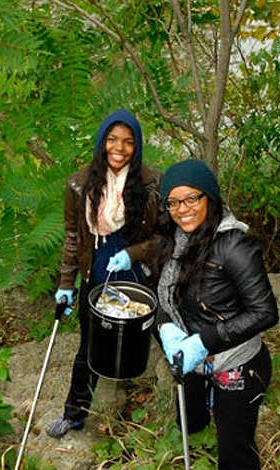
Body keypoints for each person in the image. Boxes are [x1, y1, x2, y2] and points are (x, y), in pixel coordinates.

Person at [46, 109, 162, 438]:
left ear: (136, 146)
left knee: (149, 328)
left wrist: (132, 254)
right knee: (90, 343)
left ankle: (173, 397)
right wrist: (67, 285)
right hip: (95, 268)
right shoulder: (79, 184)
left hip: (134, 267)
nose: (119, 148)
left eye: (128, 142)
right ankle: (74, 413)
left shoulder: (152, 182)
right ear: (102, 142)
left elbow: (163, 237)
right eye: (113, 140)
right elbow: (72, 237)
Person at [156, 159, 279, 469]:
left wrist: (204, 341)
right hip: (191, 361)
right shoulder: (176, 240)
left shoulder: (234, 245)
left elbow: (265, 311)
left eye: (191, 198)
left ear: (209, 197)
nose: (181, 208)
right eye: (172, 202)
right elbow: (164, 297)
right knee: (189, 424)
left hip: (236, 364)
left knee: (235, 453)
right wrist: (165, 326)